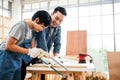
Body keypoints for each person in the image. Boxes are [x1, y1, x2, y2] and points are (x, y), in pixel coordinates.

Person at [0, 10, 51, 80]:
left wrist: (40, 53)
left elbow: (33, 47)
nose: (42, 30)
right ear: (37, 20)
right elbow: (8, 46)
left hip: (17, 60)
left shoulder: (32, 31)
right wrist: (29, 51)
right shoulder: (21, 26)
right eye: (42, 27)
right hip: (7, 58)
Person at [34, 6, 67, 80]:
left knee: (42, 76)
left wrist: (56, 57)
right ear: (52, 13)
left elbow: (57, 43)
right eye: (56, 18)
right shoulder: (44, 22)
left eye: (60, 21)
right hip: (35, 53)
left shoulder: (58, 28)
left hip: (44, 56)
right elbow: (41, 41)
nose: (57, 22)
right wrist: (46, 55)